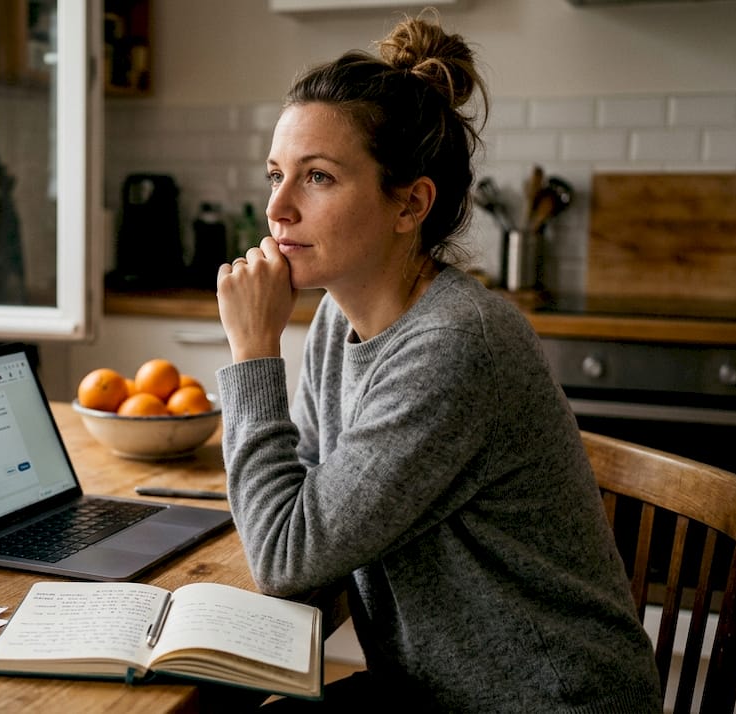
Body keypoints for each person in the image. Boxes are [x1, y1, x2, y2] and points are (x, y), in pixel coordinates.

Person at [214, 15, 661, 713]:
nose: (277, 208)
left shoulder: (457, 343)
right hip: (427, 693)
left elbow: (284, 556)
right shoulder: (340, 316)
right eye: (276, 175)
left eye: (318, 177)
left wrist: (252, 354)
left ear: (411, 204)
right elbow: (302, 519)